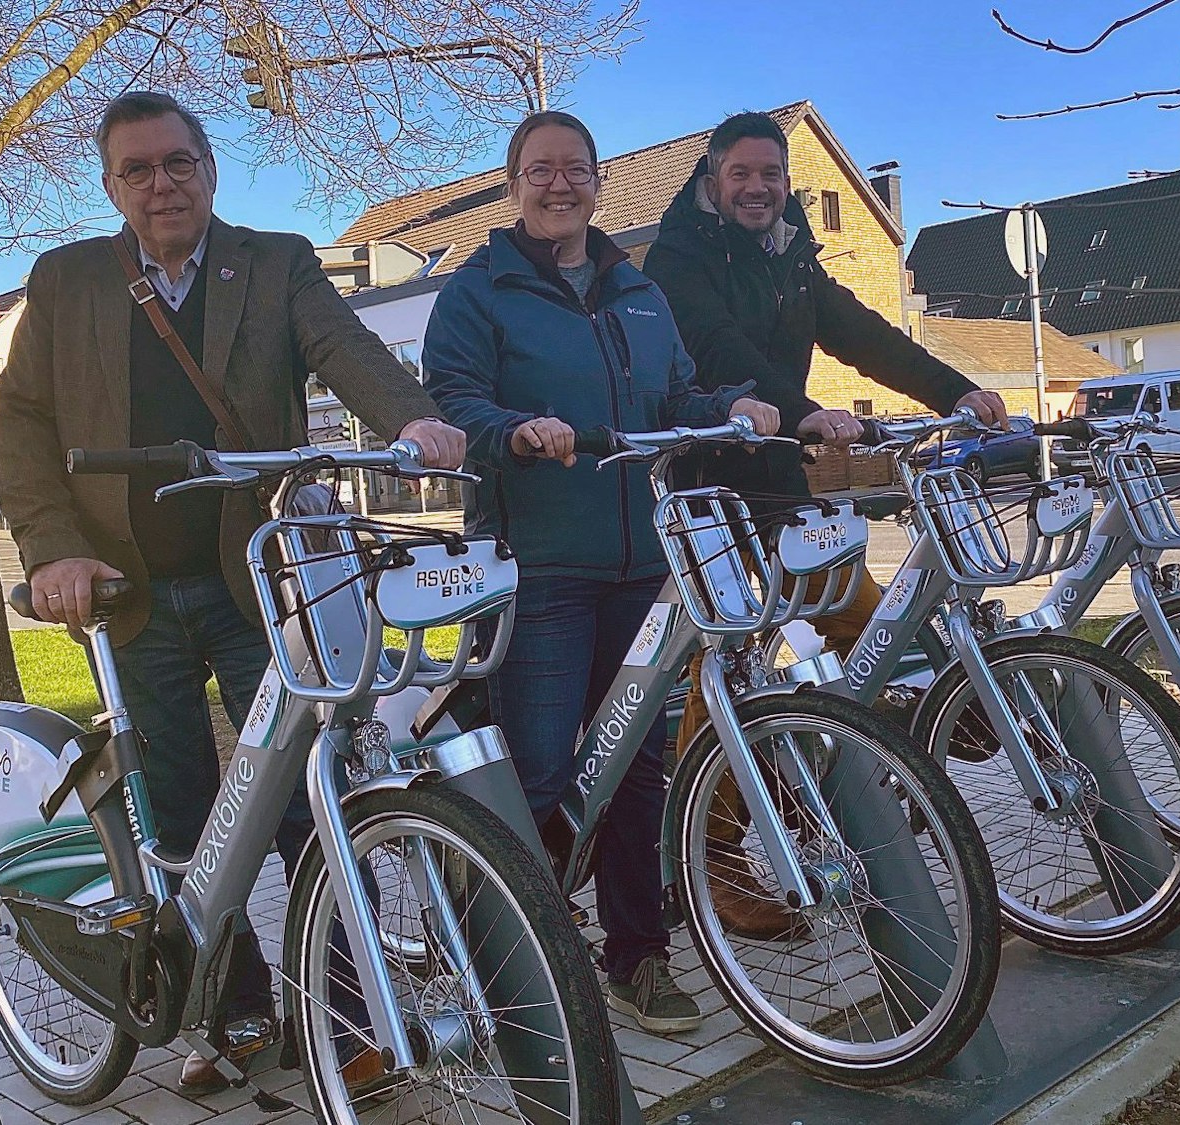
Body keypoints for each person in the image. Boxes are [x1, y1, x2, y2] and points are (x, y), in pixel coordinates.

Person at [0, 90, 466, 1091]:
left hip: (261, 581)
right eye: (138, 170)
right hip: (129, 593)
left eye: (178, 162)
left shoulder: (278, 261)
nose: (161, 184)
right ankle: (231, 1009)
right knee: (179, 816)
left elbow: (345, 348)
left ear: (209, 167)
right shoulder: (67, 278)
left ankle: (345, 1015)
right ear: (110, 184)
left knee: (308, 799)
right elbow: (24, 422)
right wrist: (49, 549)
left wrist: (415, 421)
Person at [423, 110, 780, 1035]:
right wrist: (514, 430)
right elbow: (455, 398)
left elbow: (675, 395)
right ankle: (522, 952)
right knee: (537, 774)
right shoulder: (477, 291)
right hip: (539, 569)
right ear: (513, 185)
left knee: (634, 770)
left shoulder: (639, 290)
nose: (559, 185)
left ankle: (640, 958)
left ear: (597, 183)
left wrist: (733, 407)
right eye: (540, 171)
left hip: (640, 568)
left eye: (575, 170)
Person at [644, 111, 1007, 940]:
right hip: (710, 489)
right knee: (728, 668)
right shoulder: (679, 258)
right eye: (741, 173)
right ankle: (711, 855)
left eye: (770, 174)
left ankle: (834, 772)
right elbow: (716, 347)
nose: (757, 187)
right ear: (712, 177)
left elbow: (869, 338)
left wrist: (952, 391)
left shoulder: (793, 260)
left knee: (864, 622)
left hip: (779, 481)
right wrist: (805, 412)